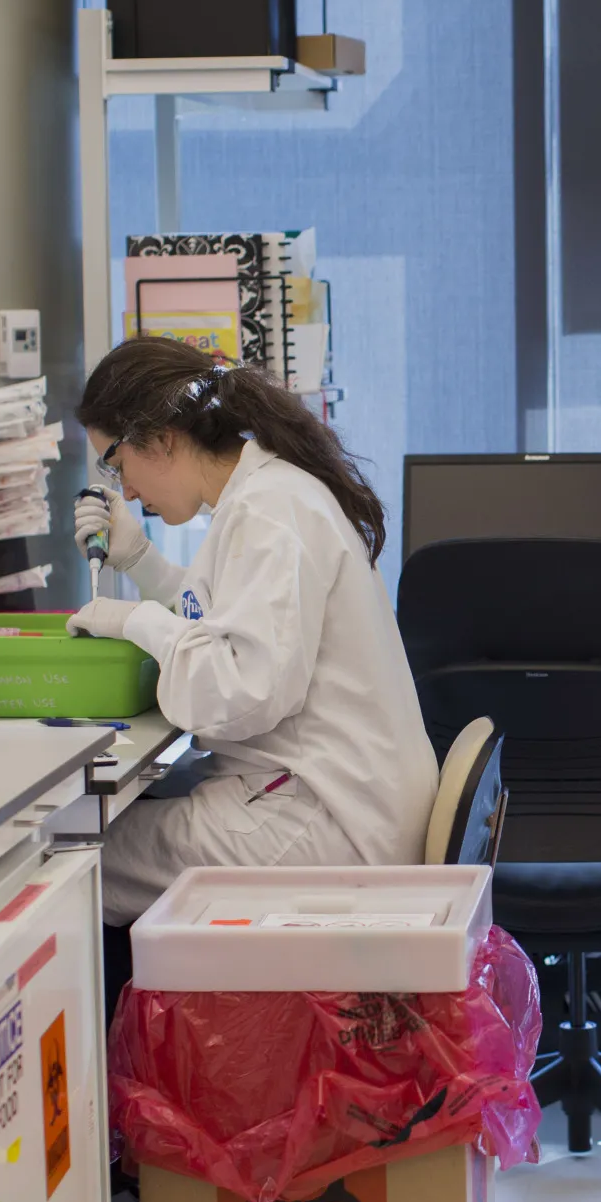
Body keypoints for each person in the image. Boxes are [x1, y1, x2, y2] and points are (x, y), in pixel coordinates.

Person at [65, 337, 440, 966]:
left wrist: (139, 621)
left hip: (324, 822)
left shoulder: (268, 512)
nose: (124, 492)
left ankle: (116, 1062)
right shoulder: (262, 495)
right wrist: (140, 563)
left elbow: (235, 695)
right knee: (110, 828)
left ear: (159, 438)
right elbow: (223, 617)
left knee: (75, 861)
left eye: (114, 461)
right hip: (326, 797)